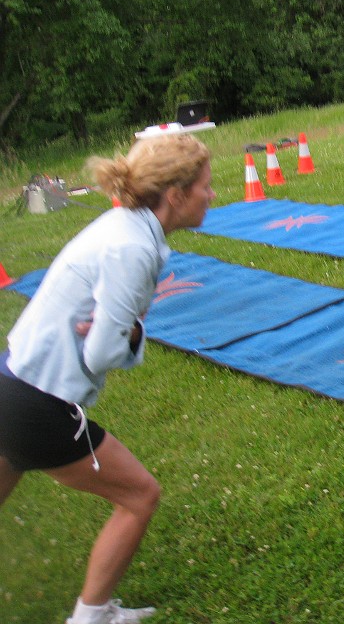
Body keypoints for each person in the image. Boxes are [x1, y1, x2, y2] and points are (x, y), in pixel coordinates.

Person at [1, 134, 215, 623]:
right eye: (205, 186)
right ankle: (92, 617)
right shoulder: (132, 248)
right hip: (40, 400)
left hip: (12, 380)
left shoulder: (126, 227)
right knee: (140, 496)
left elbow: (106, 333)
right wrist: (125, 333)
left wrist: (121, 329)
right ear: (176, 195)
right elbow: (99, 353)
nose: (212, 195)